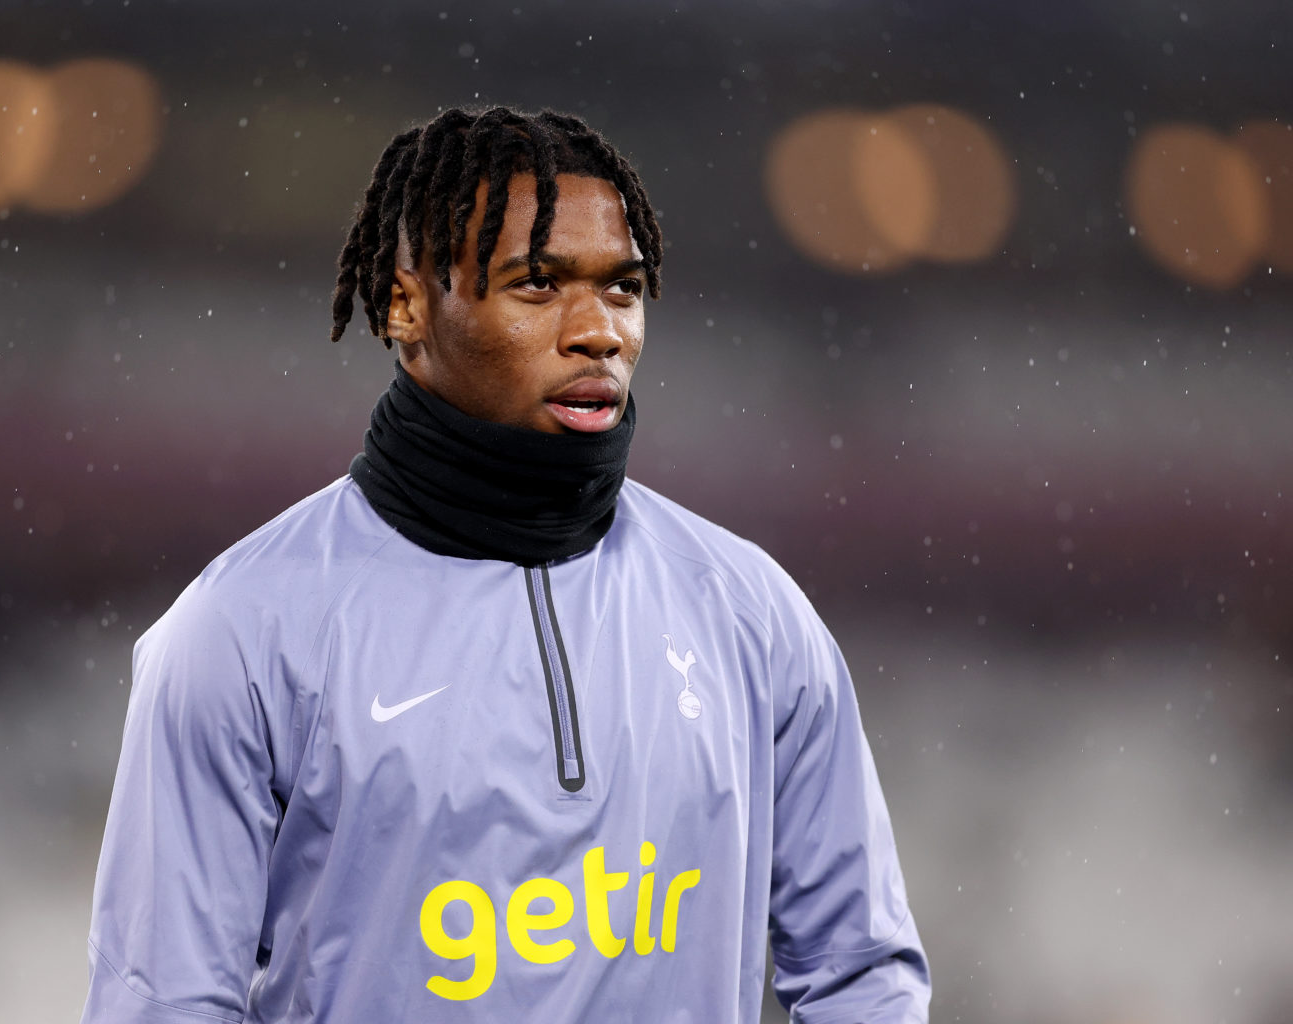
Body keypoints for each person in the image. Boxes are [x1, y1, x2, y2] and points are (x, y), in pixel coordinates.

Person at [80, 106, 931, 1023]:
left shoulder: (750, 610)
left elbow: (861, 970)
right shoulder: (241, 629)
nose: (598, 331)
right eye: (537, 285)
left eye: (623, 288)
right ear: (407, 304)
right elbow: (163, 1002)